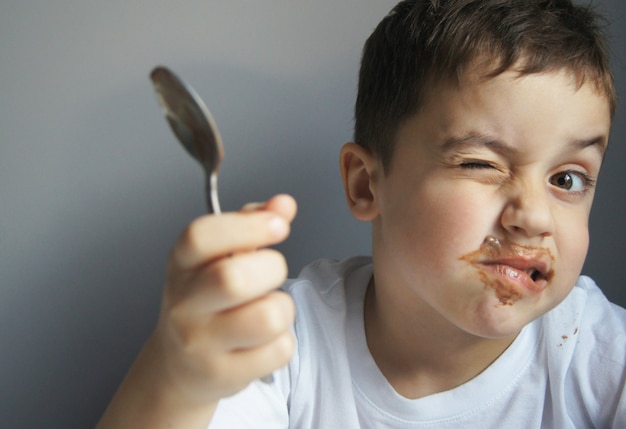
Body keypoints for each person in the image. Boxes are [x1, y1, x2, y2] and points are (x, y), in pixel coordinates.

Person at [97, 0, 626, 427]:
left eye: (567, 179)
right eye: (479, 163)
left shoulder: (597, 353)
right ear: (366, 184)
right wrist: (176, 380)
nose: (533, 216)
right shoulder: (284, 344)